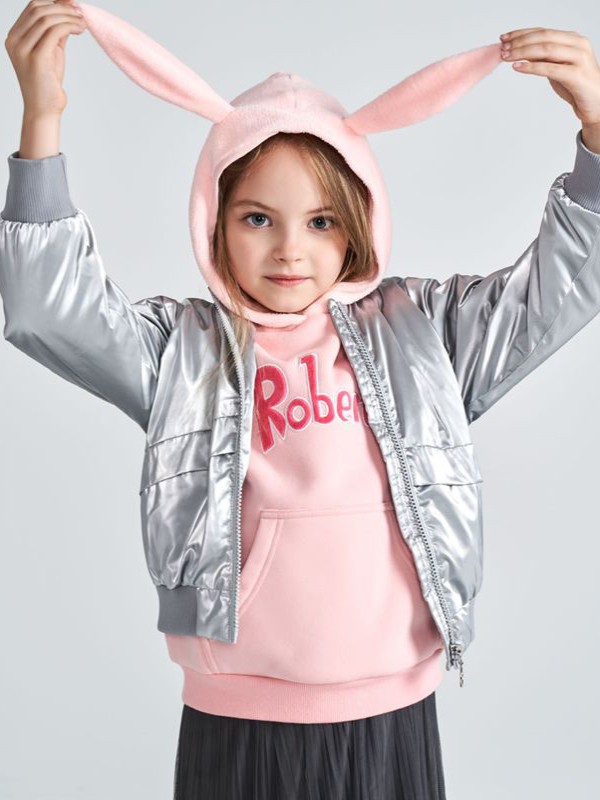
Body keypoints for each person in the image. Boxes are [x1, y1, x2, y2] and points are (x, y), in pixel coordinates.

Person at [2, 2, 600, 798]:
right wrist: (42, 119)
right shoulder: (185, 352)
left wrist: (597, 131)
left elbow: (555, 294)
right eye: (258, 218)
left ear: (357, 224)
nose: (290, 249)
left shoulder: (423, 335)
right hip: (240, 719)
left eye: (320, 221)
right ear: (214, 222)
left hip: (392, 712)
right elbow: (47, 310)